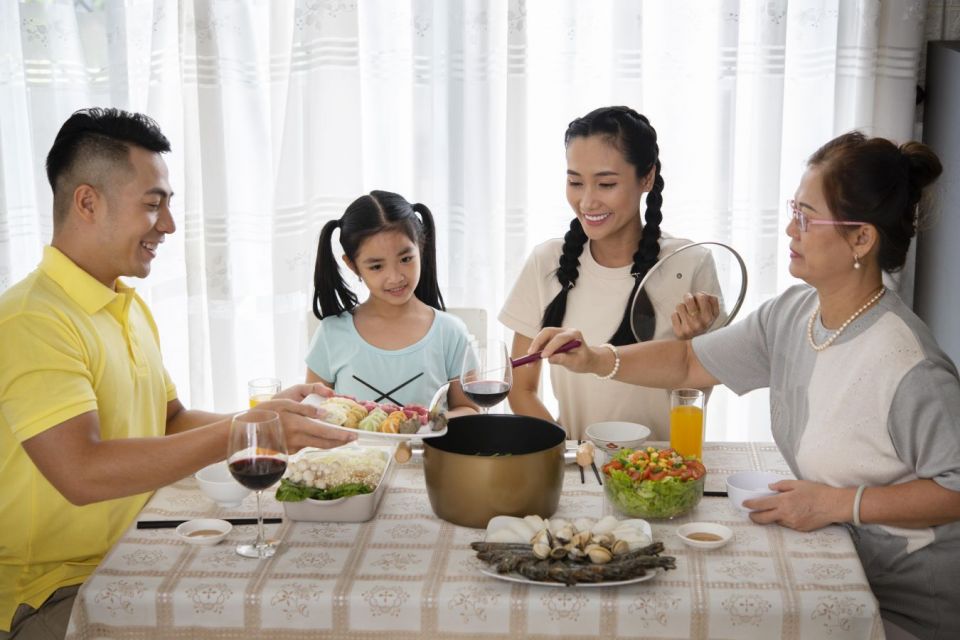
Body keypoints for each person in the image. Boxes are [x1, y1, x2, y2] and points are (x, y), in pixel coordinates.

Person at [530, 131, 960, 640]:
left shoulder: (909, 366)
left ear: (861, 239)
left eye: (806, 217)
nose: (788, 229)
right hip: (836, 559)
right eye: (792, 209)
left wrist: (834, 503)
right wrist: (597, 358)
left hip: (900, 606)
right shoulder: (796, 314)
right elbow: (690, 362)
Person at [0, 108, 353, 639]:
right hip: (54, 594)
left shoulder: (127, 306)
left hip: (128, 556)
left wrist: (267, 418)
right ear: (88, 202)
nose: (167, 224)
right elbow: (81, 473)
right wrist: (256, 432)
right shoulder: (32, 319)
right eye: (153, 204)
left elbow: (171, 419)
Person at [499, 106, 719, 440]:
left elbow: (698, 392)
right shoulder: (547, 262)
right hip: (582, 470)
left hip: (662, 470)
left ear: (646, 177)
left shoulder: (690, 263)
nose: (587, 201)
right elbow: (522, 388)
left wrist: (696, 342)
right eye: (575, 182)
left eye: (605, 184)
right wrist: (567, 452)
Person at [306, 190, 477, 417]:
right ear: (352, 265)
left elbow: (469, 410)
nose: (395, 277)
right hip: (352, 453)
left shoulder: (450, 332)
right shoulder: (331, 333)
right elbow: (312, 410)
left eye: (406, 259)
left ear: (421, 248)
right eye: (377, 266)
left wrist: (426, 422)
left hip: (428, 453)